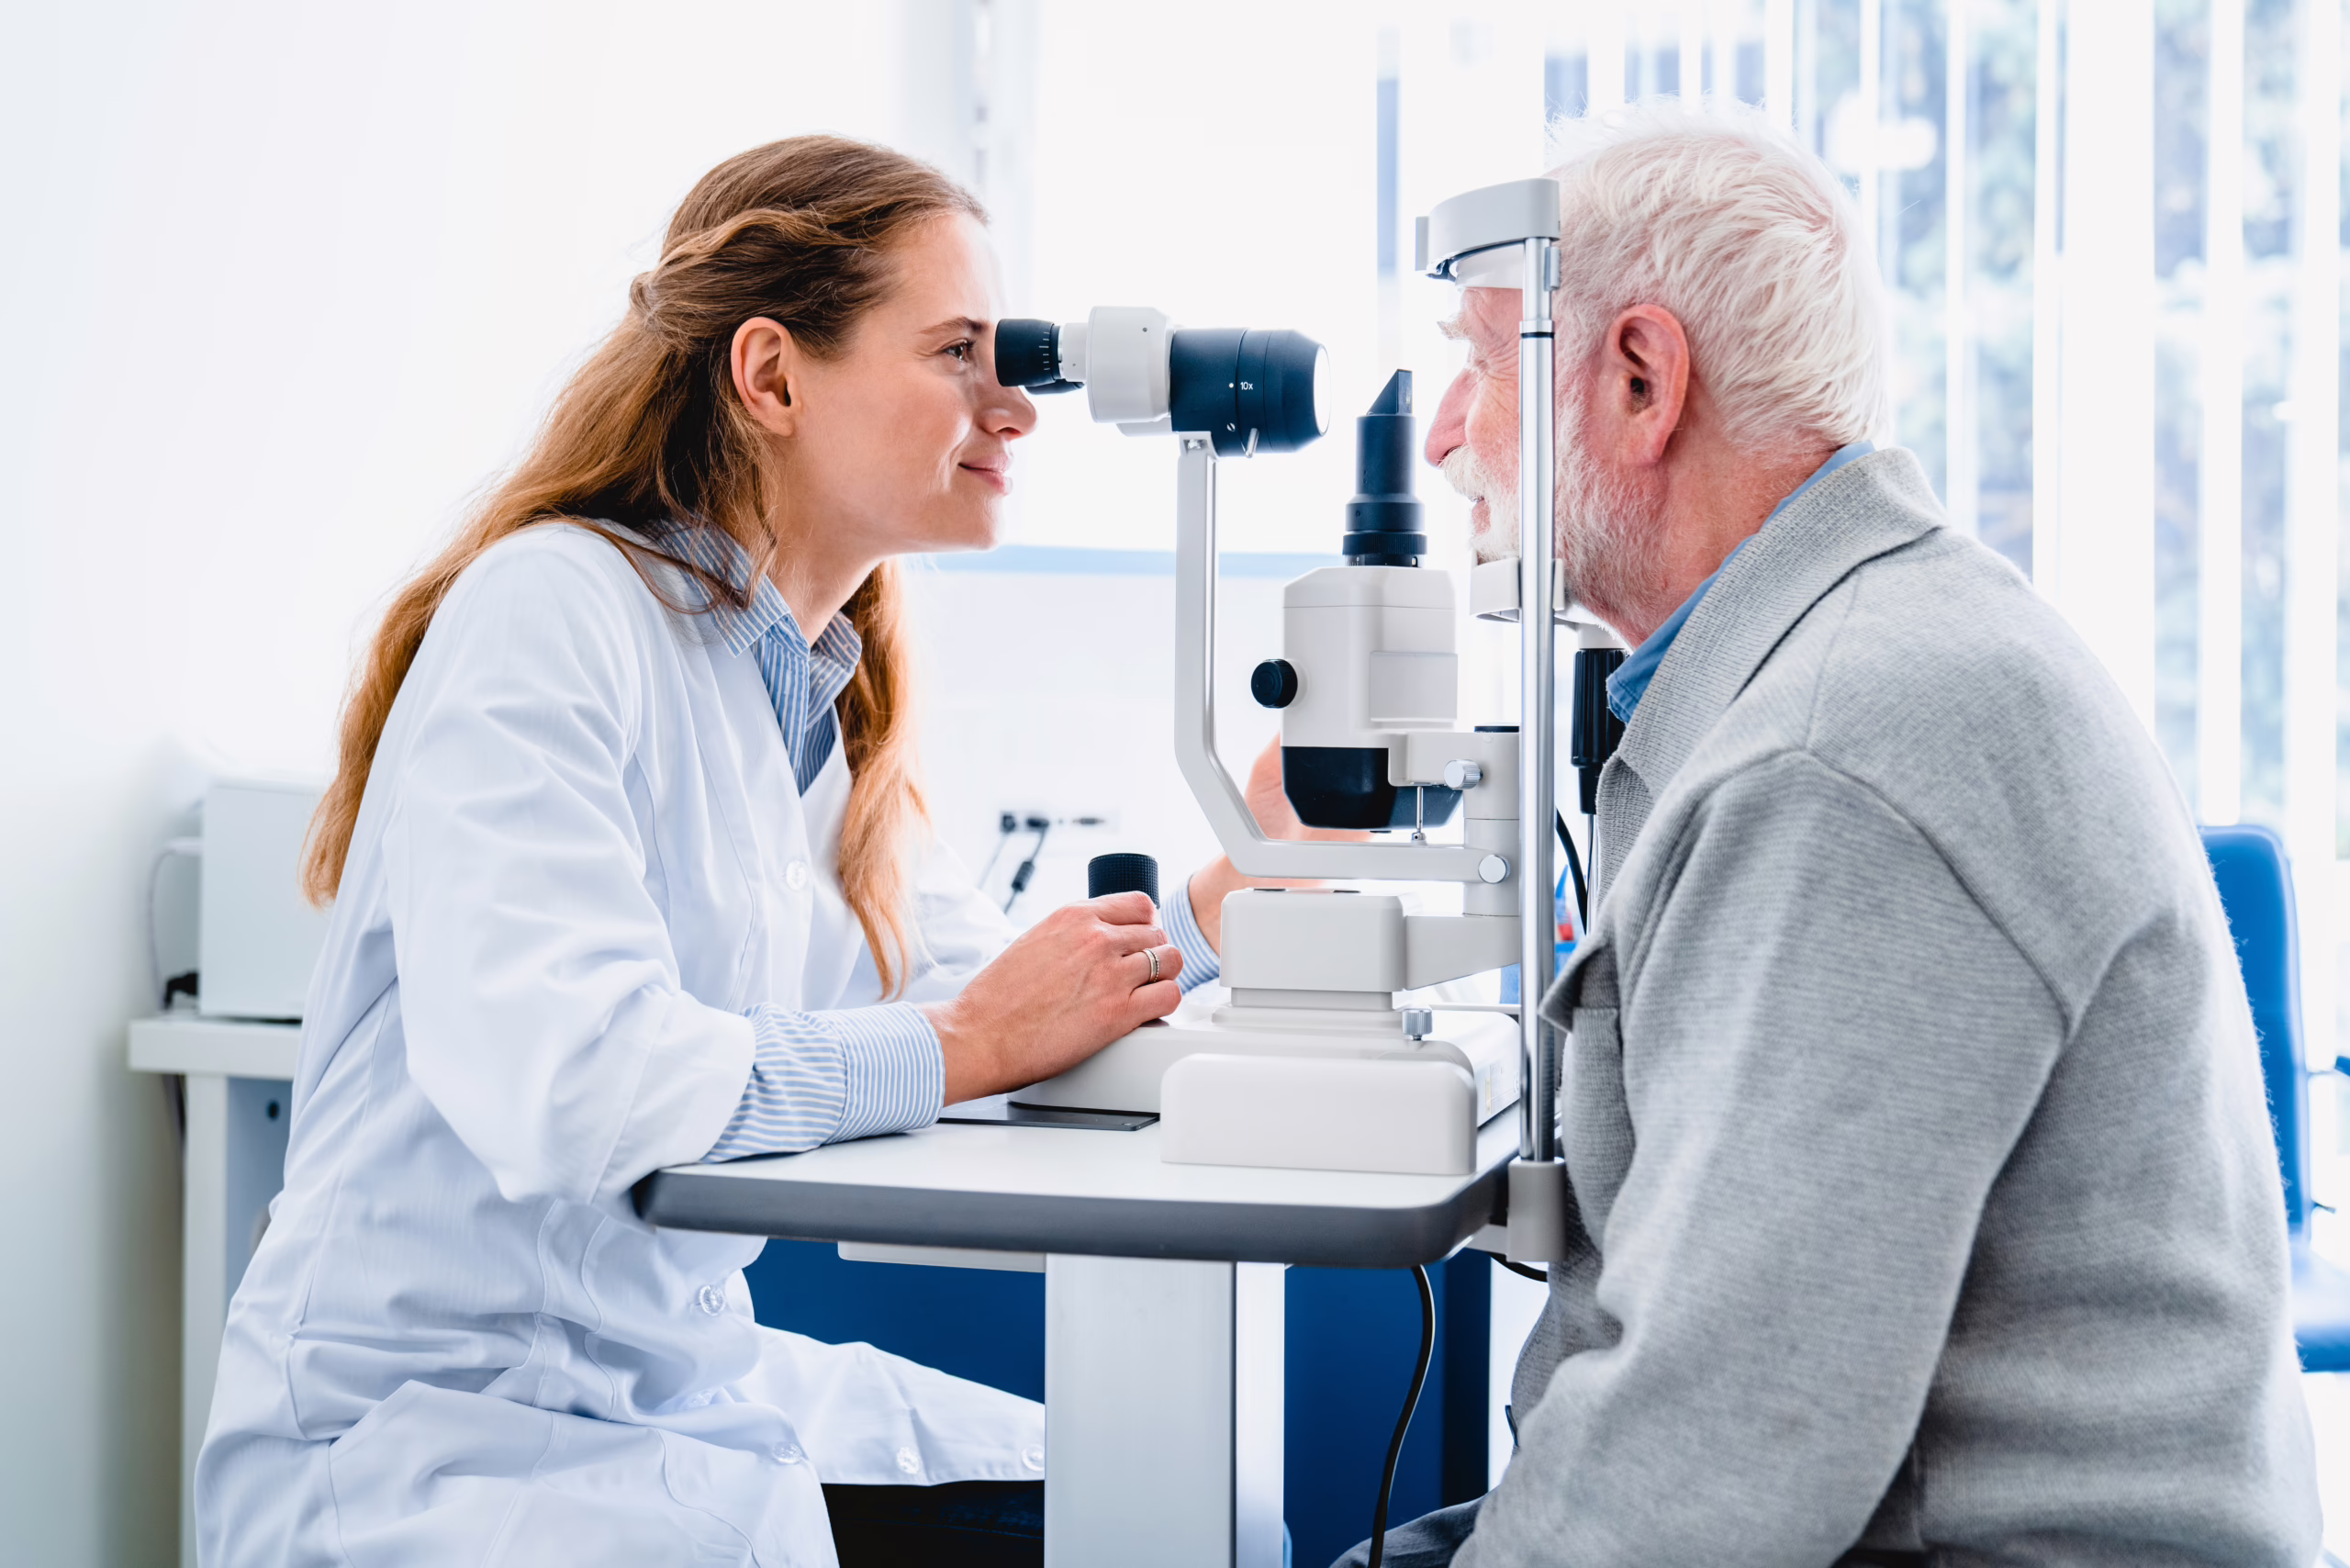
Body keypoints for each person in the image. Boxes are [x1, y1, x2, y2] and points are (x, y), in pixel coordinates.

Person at [195, 134, 1298, 1567]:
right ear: (772, 376)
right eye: (960, 351)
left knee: (1179, 1513)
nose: (1015, 408)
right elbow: (584, 1085)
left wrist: (1239, 887)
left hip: (668, 1390)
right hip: (433, 1433)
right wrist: (966, 1040)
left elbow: (998, 995)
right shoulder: (557, 612)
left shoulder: (810, 702)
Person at [1343, 102, 2322, 1566]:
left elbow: (1717, 1459)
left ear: (1636, 379)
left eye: (1481, 361)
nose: (1438, 430)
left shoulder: (1842, 746)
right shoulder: (1830, 665)